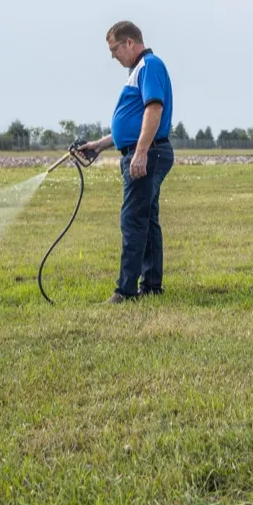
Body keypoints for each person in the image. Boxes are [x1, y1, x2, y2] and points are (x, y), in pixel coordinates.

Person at [81, 21, 175, 303]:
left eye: (114, 49)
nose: (113, 56)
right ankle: (151, 285)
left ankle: (126, 291)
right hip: (144, 150)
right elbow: (133, 122)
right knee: (146, 219)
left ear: (129, 43)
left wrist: (142, 152)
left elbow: (153, 109)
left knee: (132, 219)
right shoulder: (139, 71)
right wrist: (100, 145)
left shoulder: (149, 66)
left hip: (148, 153)